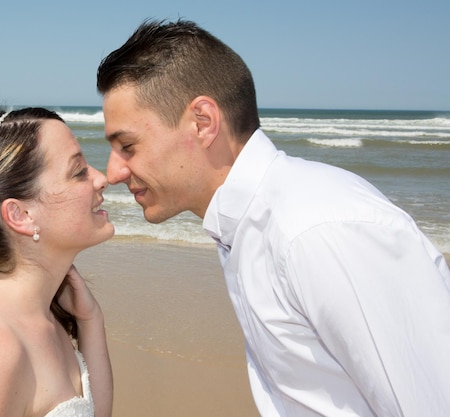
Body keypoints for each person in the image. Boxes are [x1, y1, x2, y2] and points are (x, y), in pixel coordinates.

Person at [97, 19, 450, 416]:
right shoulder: (246, 226)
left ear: (203, 123)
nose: (114, 173)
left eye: (128, 145)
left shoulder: (316, 230)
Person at [0, 107, 114, 417]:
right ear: (21, 215)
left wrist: (91, 321)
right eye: (78, 171)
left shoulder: (42, 310)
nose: (102, 179)